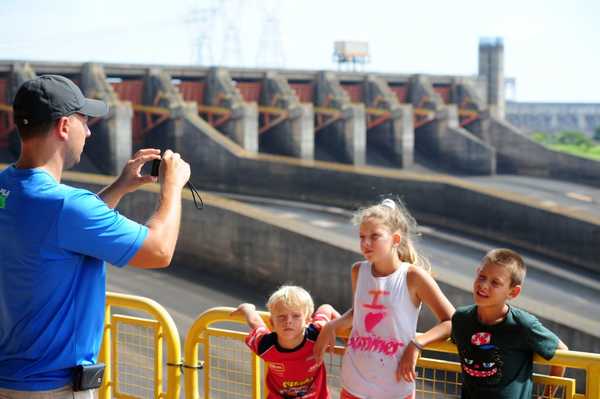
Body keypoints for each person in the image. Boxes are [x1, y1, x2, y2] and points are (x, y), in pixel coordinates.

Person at [0, 75, 190, 397]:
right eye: (84, 121)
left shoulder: (7, 186)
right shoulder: (68, 205)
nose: (88, 132)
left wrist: (119, 187)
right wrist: (172, 189)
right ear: (63, 127)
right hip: (53, 388)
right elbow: (159, 251)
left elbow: (57, 233)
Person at [314, 198, 455, 399]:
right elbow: (360, 313)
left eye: (375, 236)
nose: (365, 243)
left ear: (396, 240)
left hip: (395, 388)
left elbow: (452, 321)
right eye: (362, 236)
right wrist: (332, 325)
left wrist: (417, 343)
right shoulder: (358, 271)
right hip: (354, 383)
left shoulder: (413, 276)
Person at [451, 248, 568, 398]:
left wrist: (548, 396)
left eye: (495, 282)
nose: (484, 285)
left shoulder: (523, 324)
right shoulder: (461, 319)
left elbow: (562, 353)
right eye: (482, 277)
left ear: (513, 292)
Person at [231, 285, 341, 398]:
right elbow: (256, 323)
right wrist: (248, 309)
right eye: (282, 317)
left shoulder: (317, 334)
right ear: (272, 322)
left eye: (296, 316)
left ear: (308, 320)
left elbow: (325, 309)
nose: (288, 321)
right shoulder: (265, 345)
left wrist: (343, 327)